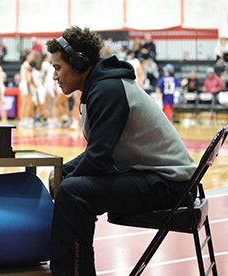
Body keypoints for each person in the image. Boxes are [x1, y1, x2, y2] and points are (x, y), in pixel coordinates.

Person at [46, 26, 196, 275]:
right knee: (70, 186)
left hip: (169, 185)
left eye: (58, 67)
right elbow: (99, 151)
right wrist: (63, 170)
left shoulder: (107, 90)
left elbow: (99, 160)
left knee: (72, 193)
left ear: (79, 63)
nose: (55, 76)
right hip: (156, 177)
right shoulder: (103, 87)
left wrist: (67, 179)